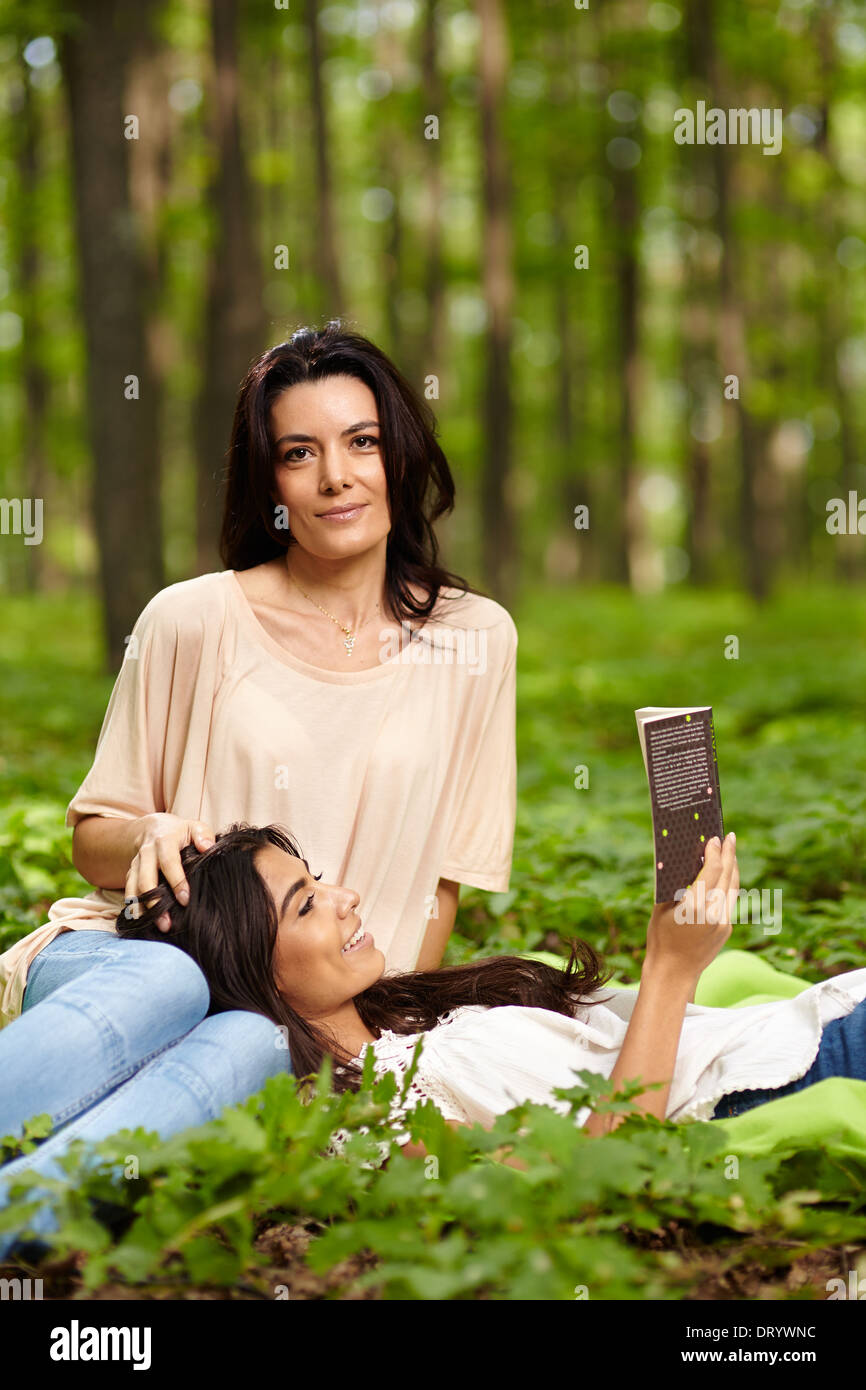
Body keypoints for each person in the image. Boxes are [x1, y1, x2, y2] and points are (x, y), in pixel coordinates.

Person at [0, 323, 517, 1208]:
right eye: (298, 453)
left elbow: (440, 885)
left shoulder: (476, 640)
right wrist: (148, 833)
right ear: (269, 482)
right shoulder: (190, 620)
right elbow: (92, 838)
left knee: (249, 1044)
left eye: (362, 441)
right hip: (131, 959)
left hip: (282, 1014)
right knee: (176, 979)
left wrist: (371, 1040)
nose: (336, 477)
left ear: (399, 451)